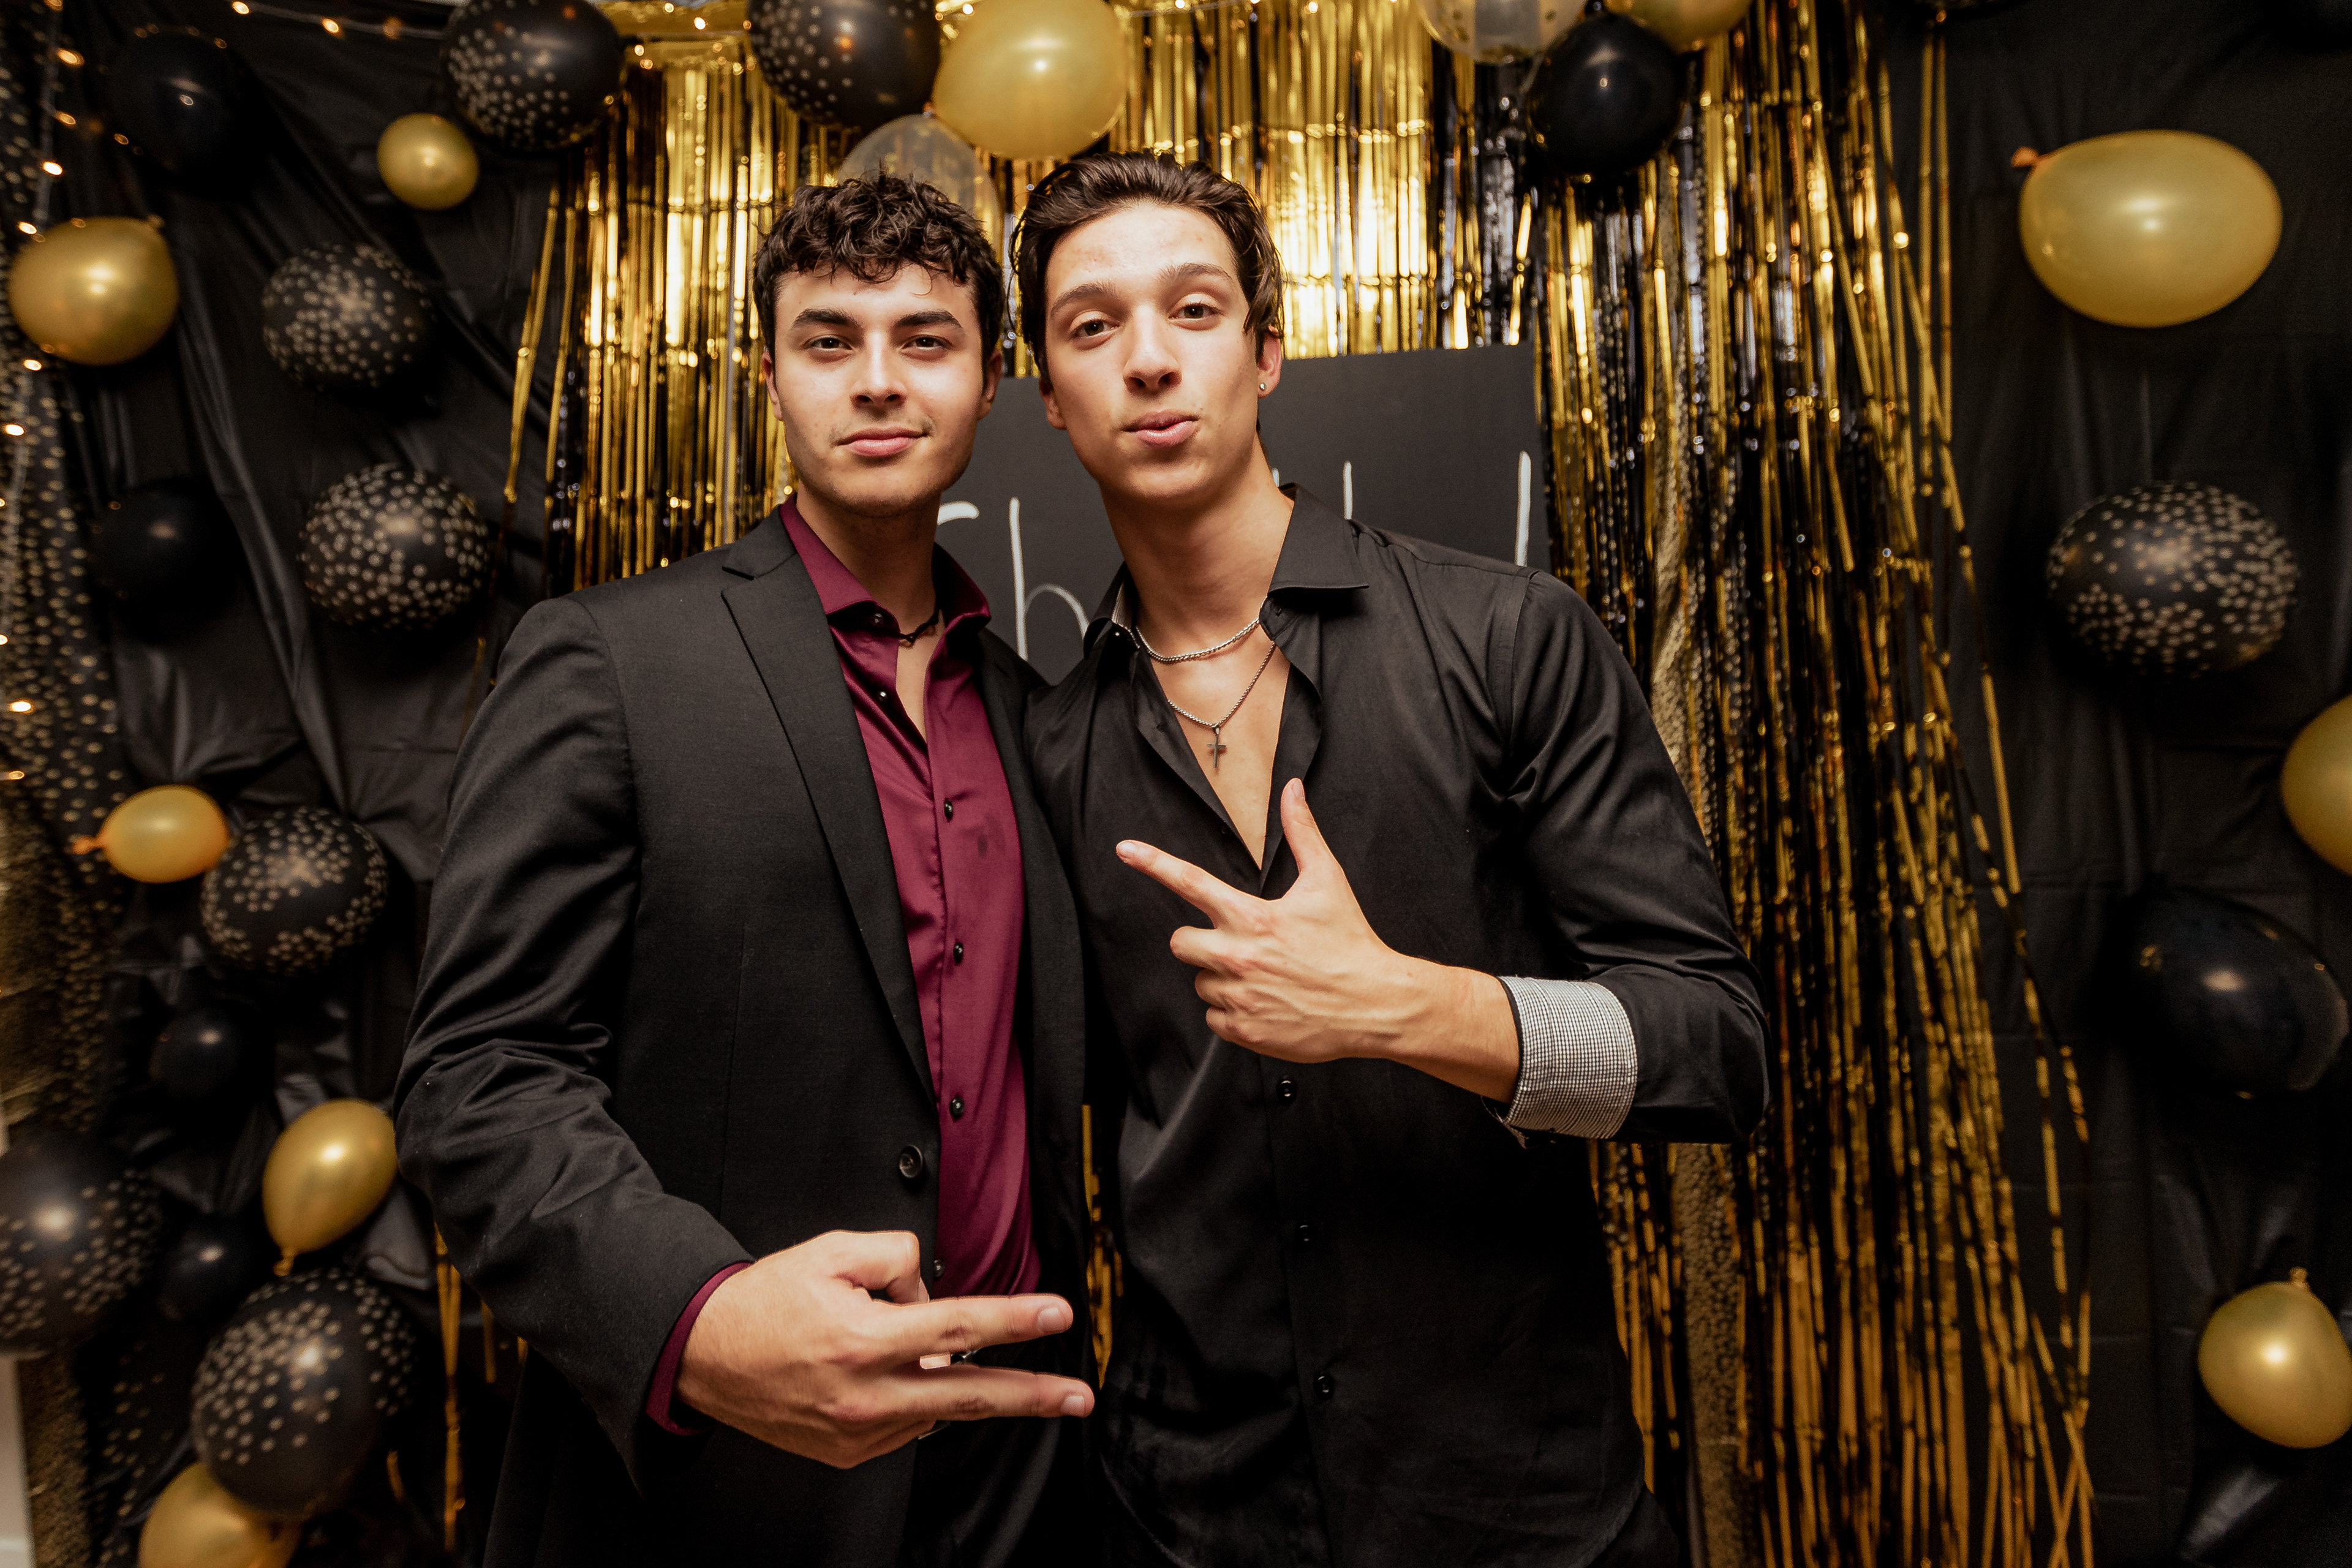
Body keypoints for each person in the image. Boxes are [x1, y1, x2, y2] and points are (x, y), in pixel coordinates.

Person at [1016, 153, 1772, 1568]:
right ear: (1049, 393)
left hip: (1515, 1506)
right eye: (1092, 325)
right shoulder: (1049, 748)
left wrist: (1408, 1007)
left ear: (1268, 350)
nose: (1149, 359)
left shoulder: (1507, 637)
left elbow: (1713, 1050)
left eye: (1194, 308)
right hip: (1188, 1517)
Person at [396, 175, 1097, 1568]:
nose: (878, 379)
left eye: (926, 339)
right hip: (721, 1477)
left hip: (1018, 1465)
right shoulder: (610, 659)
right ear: (768, 378)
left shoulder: (1038, 713)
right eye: (829, 341)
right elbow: (478, 1074)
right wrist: (698, 1319)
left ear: (992, 384)